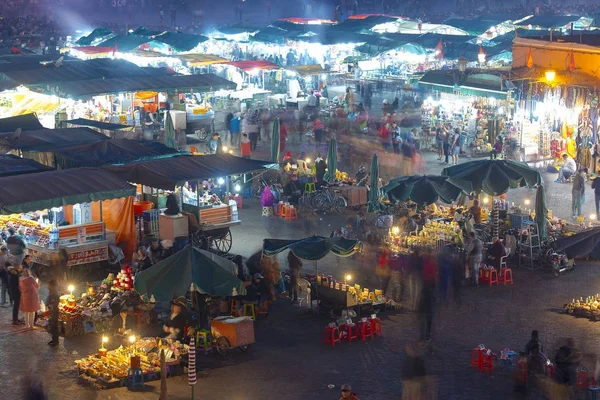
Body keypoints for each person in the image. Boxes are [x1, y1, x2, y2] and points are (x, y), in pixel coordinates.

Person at [46, 280, 59, 347]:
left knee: (54, 326)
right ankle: (53, 340)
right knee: (52, 326)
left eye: (49, 285)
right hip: (52, 311)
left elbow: (54, 303)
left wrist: (50, 306)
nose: (48, 286)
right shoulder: (52, 291)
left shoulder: (55, 293)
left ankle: (55, 341)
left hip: (54, 312)